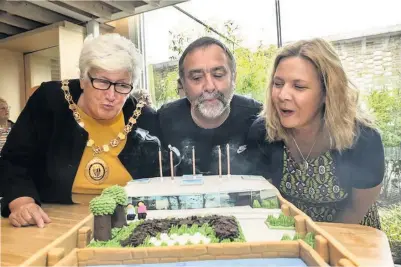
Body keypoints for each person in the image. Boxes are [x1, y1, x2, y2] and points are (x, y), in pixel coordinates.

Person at [0, 33, 169, 228]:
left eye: (122, 85)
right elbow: (13, 161)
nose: (111, 95)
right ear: (82, 79)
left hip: (128, 221)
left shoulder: (144, 118)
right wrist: (23, 203)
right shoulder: (49, 101)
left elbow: (163, 176)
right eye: (102, 82)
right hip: (52, 221)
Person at [245, 38, 384, 228]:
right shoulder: (263, 132)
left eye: (299, 86)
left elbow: (355, 210)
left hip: (352, 234)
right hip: (293, 234)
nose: (282, 95)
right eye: (278, 84)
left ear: (327, 92)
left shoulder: (363, 139)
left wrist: (316, 246)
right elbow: (268, 202)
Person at [158, 37, 261, 176]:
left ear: (234, 78)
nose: (210, 87)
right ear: (182, 84)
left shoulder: (258, 118)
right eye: (196, 78)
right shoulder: (163, 120)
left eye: (218, 75)